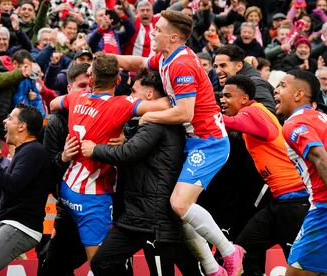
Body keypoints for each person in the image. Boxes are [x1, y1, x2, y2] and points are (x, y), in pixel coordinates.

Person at [114, 10, 243, 276]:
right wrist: (111, 59)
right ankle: (212, 268)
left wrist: (146, 116)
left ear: (173, 37)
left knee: (179, 205)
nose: (152, 32)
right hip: (194, 141)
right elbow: (140, 63)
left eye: (157, 29)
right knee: (176, 210)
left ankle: (230, 251)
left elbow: (185, 113)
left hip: (209, 142)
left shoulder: (181, 64)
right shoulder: (165, 57)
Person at [49, 52, 169, 262]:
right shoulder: (122, 105)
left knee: (60, 259)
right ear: (119, 80)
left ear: (91, 79)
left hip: (68, 190)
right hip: (93, 198)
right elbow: (166, 105)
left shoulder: (75, 97)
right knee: (103, 265)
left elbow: (53, 104)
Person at [82, 69, 201, 276]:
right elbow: (137, 146)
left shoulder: (157, 122)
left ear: (149, 95)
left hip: (155, 220)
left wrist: (95, 150)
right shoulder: (150, 122)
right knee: (101, 263)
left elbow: (129, 153)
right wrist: (126, 137)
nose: (130, 97)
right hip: (135, 217)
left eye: (134, 91)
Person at [220, 75, 310, 275]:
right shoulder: (255, 113)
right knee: (241, 253)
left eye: (227, 96)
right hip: (279, 201)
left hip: (295, 202)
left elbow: (228, 123)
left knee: (301, 266)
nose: (222, 100)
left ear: (244, 98)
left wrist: (193, 112)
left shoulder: (253, 112)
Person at [0, 104, 51, 275]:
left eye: (10, 118)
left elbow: (13, 185)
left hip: (20, 226)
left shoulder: (33, 151)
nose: (4, 120)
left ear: (22, 126)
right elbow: (6, 192)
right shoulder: (24, 152)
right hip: (13, 225)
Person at [274, 69, 327, 276]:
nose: (276, 90)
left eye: (282, 86)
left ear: (298, 95)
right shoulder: (321, 117)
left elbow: (320, 157)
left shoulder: (294, 123)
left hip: (323, 208)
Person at [39, 63, 90, 276]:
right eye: (82, 85)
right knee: (51, 263)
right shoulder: (56, 122)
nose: (87, 91)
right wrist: (63, 157)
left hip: (104, 207)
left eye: (91, 86)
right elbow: (47, 170)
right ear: (69, 90)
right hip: (69, 208)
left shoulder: (105, 114)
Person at [214, 45, 276, 113]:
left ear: (239, 66)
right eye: (216, 66)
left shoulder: (255, 83)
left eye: (223, 66)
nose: (217, 71)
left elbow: (268, 114)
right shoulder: (232, 83)